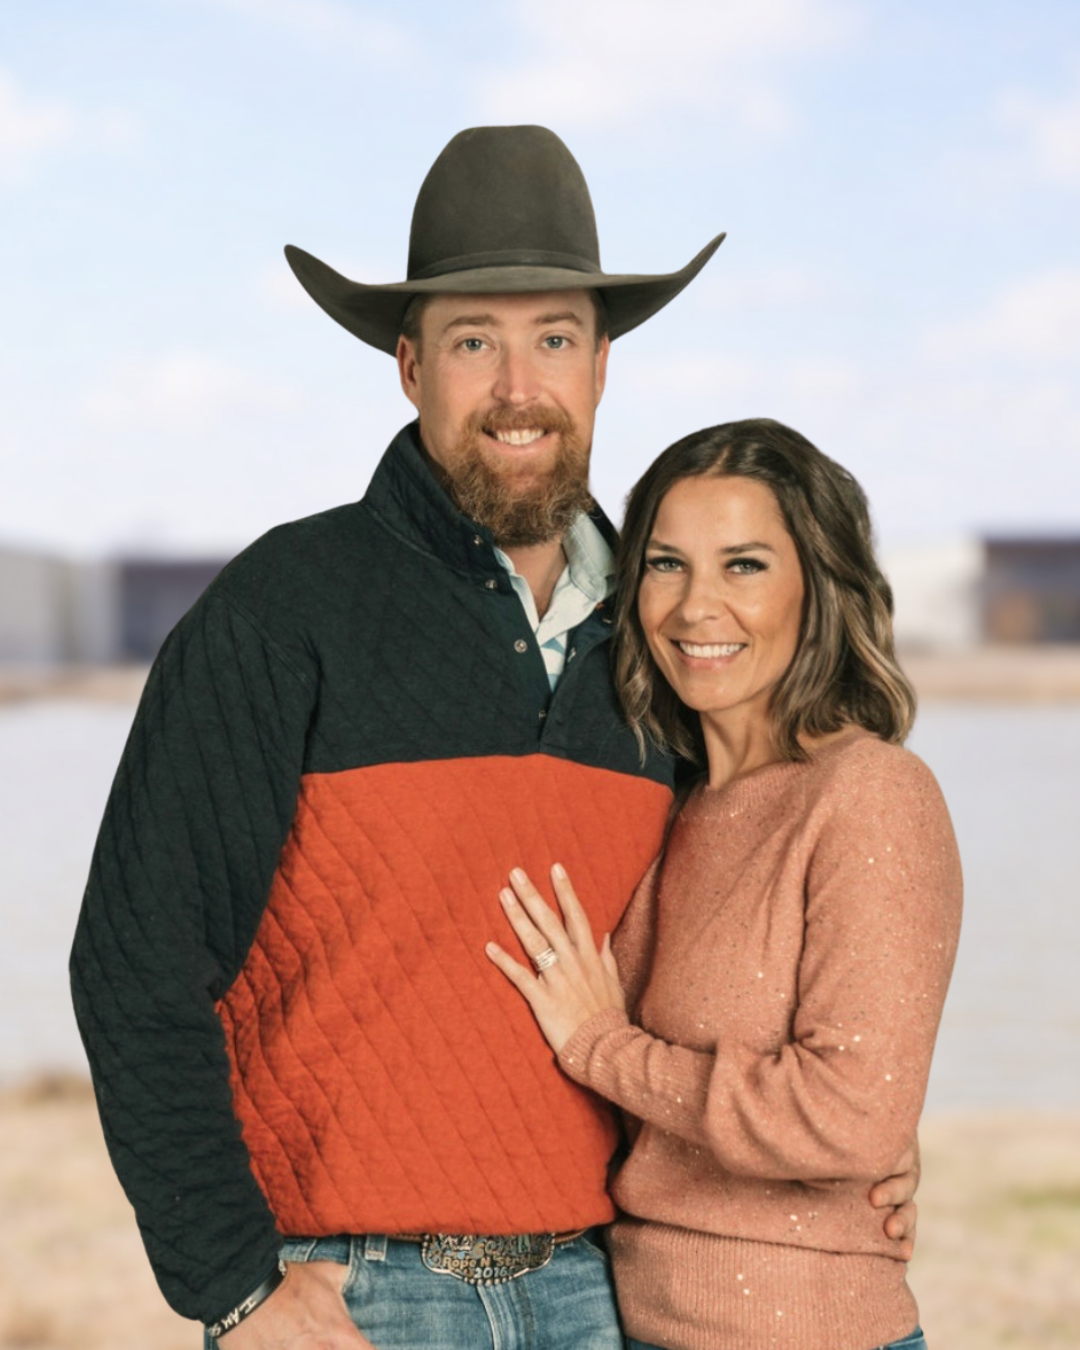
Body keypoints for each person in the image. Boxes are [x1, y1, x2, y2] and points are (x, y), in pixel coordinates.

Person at [70, 126, 917, 1350]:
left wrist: (855, 1141)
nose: (520, 386)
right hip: (349, 1297)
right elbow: (136, 963)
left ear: (603, 365)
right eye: (476, 341)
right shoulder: (282, 607)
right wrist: (232, 1284)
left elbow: (740, 954)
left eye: (555, 339)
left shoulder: (664, 639)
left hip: (597, 1293)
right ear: (410, 367)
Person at [486, 419, 962, 1350]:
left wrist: (602, 1045)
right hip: (632, 1319)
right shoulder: (665, 804)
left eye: (743, 565)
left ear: (817, 586)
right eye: (666, 565)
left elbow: (848, 1120)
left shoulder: (869, 796)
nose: (696, 607)